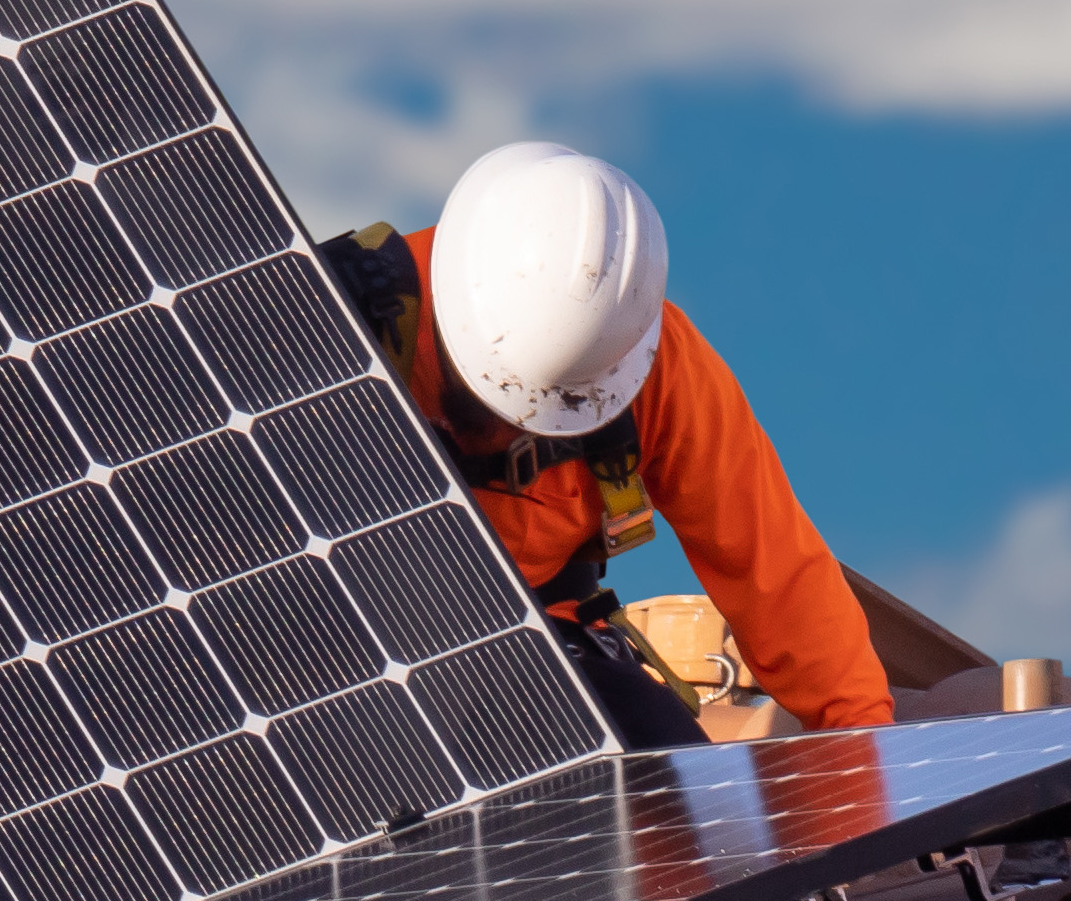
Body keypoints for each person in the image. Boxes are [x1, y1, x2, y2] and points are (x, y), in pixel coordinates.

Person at [346, 141, 893, 749]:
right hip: (324, 636)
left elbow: (776, 572)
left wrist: (865, 754)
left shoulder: (659, 368)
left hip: (527, 652)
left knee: (664, 788)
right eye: (496, 399)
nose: (517, 430)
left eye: (556, 412)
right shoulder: (324, 322)